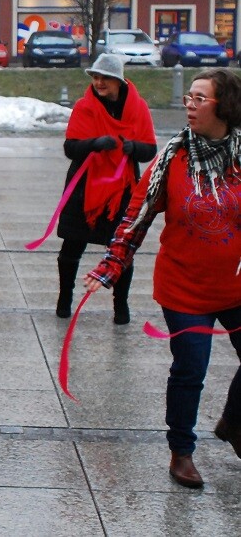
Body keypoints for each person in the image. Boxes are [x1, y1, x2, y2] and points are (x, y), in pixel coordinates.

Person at [85, 69, 241, 489]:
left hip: (236, 286)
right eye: (188, 96)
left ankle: (233, 420)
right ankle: (182, 453)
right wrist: (111, 265)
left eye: (200, 98)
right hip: (184, 287)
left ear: (223, 105)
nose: (189, 104)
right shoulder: (173, 157)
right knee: (191, 370)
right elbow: (137, 216)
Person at [56, 53, 156, 323]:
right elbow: (70, 147)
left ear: (118, 81)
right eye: (96, 77)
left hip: (120, 191)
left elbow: (150, 149)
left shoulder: (137, 108)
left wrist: (132, 148)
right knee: (70, 248)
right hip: (84, 188)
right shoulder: (84, 106)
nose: (99, 83)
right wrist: (93, 143)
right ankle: (65, 297)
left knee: (121, 251)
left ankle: (120, 305)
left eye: (105, 78)